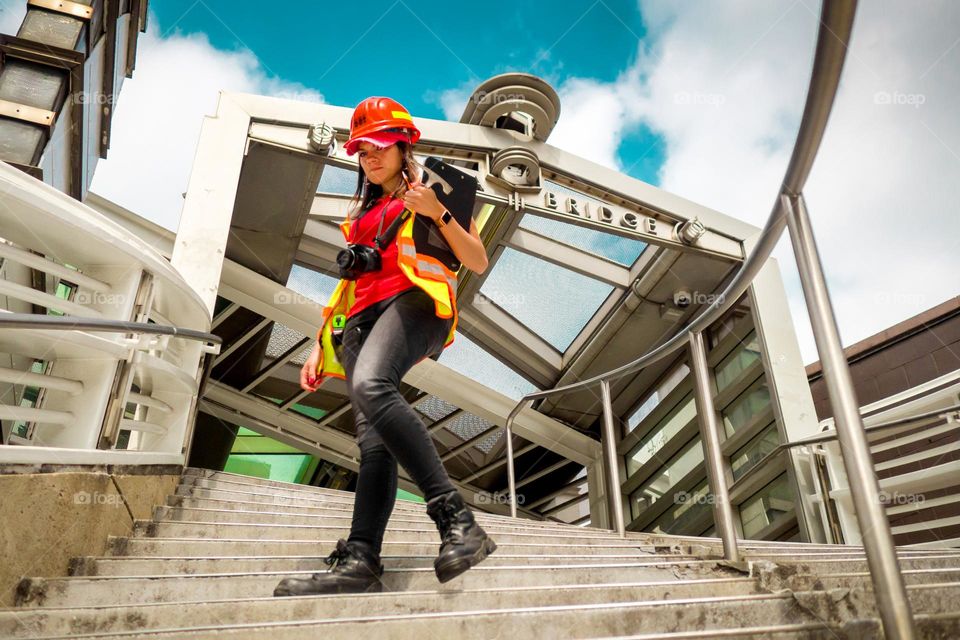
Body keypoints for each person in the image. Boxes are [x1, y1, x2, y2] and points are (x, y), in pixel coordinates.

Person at [273, 96, 496, 597]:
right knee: (373, 443)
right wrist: (319, 343)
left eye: (377, 147)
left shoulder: (438, 194)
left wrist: (437, 213)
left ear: (402, 145)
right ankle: (361, 558)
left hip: (415, 305)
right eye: (361, 151)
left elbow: (475, 261)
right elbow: (348, 287)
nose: (369, 158)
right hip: (360, 322)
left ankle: (457, 520)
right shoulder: (361, 212)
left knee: (374, 384)